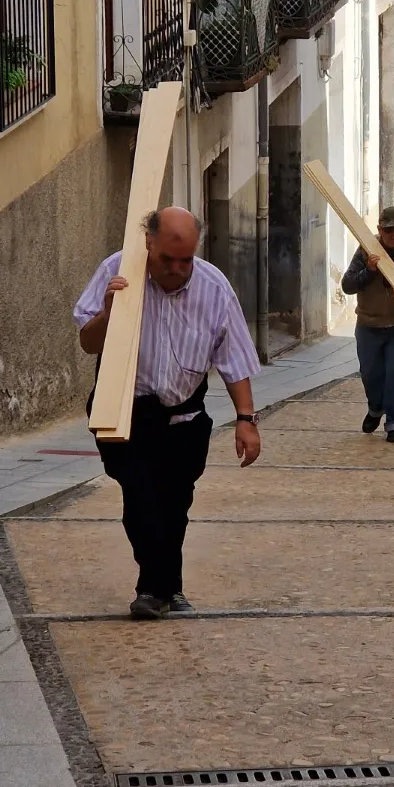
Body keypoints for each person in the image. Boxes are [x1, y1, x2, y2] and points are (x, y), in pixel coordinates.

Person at [74, 206, 261, 620]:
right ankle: (153, 589)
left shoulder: (214, 288)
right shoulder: (115, 272)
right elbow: (88, 343)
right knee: (141, 500)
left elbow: (234, 359)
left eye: (186, 260)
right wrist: (109, 311)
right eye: (167, 260)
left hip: (185, 421)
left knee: (175, 504)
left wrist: (246, 420)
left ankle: (164, 588)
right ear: (148, 243)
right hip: (126, 415)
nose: (178, 269)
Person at [341, 205, 394, 444]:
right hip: (370, 325)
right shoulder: (365, 251)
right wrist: (368, 271)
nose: (393, 234)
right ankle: (375, 408)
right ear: (379, 229)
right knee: (371, 374)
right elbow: (348, 285)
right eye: (388, 230)